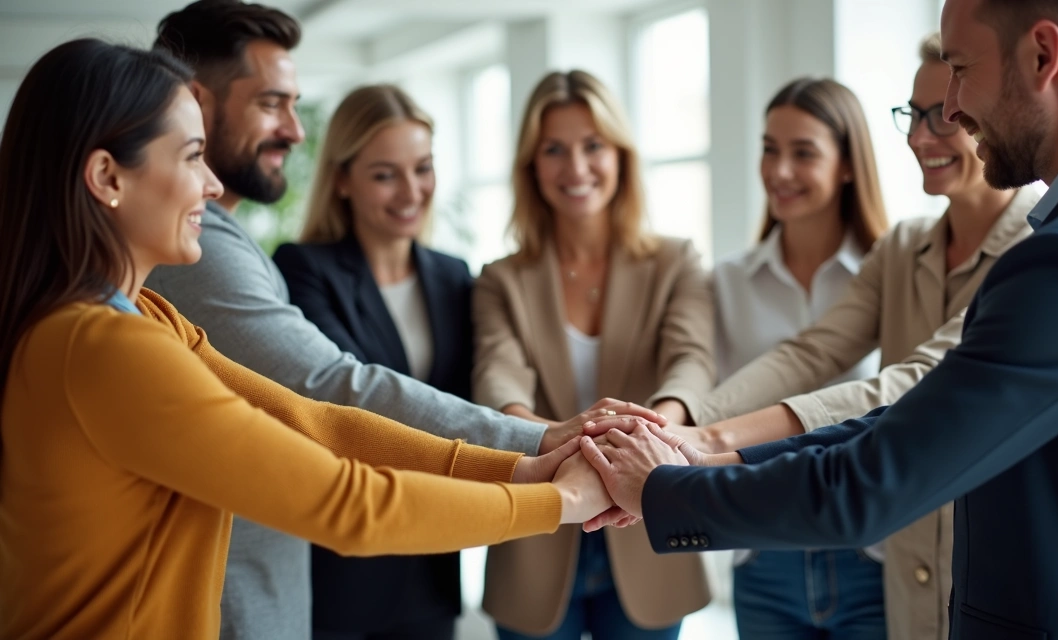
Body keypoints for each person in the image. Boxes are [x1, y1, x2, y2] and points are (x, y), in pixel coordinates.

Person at [581, 0, 1058, 637]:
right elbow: (923, 418)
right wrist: (706, 459)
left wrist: (666, 490)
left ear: (1043, 55)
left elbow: (873, 482)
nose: (953, 109)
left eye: (961, 69)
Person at [0, 38, 619, 640]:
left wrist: (525, 469)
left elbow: (314, 420)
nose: (212, 186)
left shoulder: (149, 317)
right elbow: (348, 505)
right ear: (107, 176)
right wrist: (561, 500)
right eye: (191, 157)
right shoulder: (104, 348)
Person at [144, 3, 660, 638]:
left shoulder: (449, 274)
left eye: (422, 169)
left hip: (400, 563)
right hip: (308, 571)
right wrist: (538, 451)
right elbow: (330, 393)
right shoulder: (209, 252)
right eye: (272, 103)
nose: (296, 130)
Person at [674, 34, 1037, 640]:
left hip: (992, 567)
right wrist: (682, 421)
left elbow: (918, 379)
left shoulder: (1039, 247)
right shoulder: (902, 248)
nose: (921, 136)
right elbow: (812, 352)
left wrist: (709, 440)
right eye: (915, 114)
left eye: (946, 115)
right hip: (903, 565)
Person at [473, 70, 714, 639]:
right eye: (554, 149)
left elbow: (691, 362)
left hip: (650, 527)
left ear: (621, 156)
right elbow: (497, 376)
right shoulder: (500, 279)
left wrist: (646, 438)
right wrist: (559, 442)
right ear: (531, 166)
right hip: (537, 527)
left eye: (593, 145)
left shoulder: (675, 261)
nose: (576, 167)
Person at [272, 85, 470, 640]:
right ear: (342, 179)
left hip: (433, 550)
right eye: (385, 175)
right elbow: (348, 399)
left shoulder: (454, 276)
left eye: (422, 168)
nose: (411, 191)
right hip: (348, 557)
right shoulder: (303, 269)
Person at [709, 77, 887, 640]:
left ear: (848, 164)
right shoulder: (726, 283)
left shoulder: (892, 274)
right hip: (763, 552)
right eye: (770, 149)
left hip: (869, 550)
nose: (779, 171)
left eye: (803, 153)